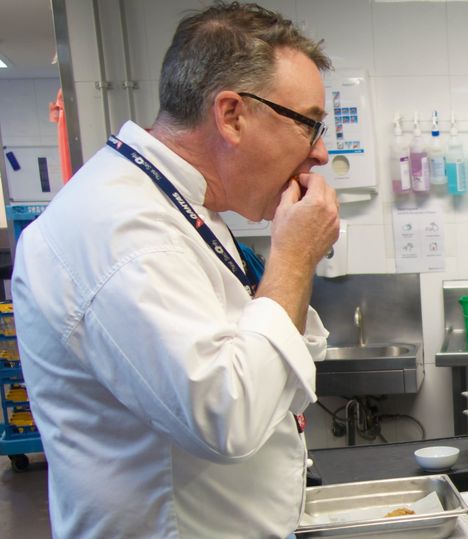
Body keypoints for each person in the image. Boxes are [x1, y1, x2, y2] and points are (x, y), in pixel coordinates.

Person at [12, 3, 339, 537]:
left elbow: (263, 353)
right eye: (308, 124)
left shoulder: (180, 209)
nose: (321, 152)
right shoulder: (122, 231)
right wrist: (294, 256)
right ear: (232, 114)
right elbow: (226, 416)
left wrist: (288, 264)